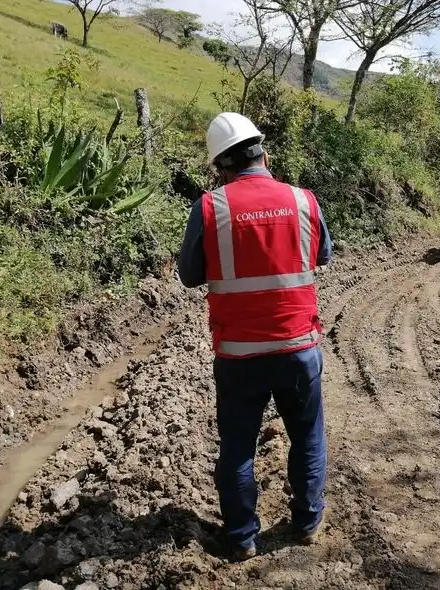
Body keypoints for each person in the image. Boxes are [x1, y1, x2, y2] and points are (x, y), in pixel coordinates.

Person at [177, 112, 334, 561]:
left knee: (238, 447)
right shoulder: (303, 200)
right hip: (298, 347)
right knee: (306, 437)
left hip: (239, 355)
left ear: (220, 166)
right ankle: (307, 523)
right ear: (263, 152)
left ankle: (242, 537)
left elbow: (190, 275)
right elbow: (322, 254)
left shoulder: (210, 207)